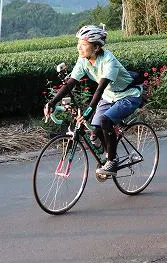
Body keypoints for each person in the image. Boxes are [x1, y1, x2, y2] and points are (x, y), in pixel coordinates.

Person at [44, 25, 143, 178]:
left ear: (96, 47)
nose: (79, 48)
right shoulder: (84, 60)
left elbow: (100, 89)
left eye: (83, 45)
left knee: (104, 120)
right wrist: (52, 102)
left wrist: (88, 111)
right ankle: (109, 154)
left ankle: (112, 160)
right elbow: (71, 82)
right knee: (94, 131)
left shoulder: (109, 61)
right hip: (110, 96)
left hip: (128, 96)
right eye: (78, 44)